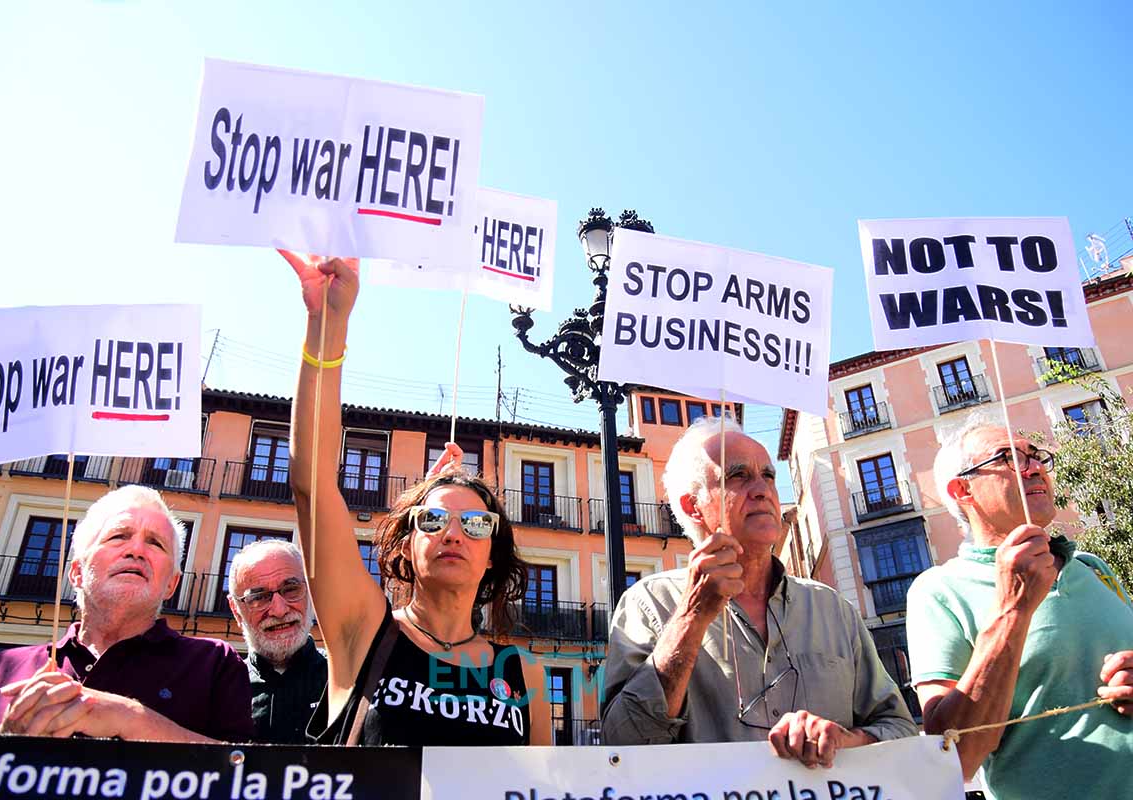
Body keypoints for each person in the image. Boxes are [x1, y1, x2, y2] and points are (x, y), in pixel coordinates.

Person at [279, 250, 550, 746]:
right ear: (405, 544)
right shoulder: (364, 630)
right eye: (432, 520)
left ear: (492, 556)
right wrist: (327, 324)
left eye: (475, 525)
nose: (453, 532)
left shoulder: (524, 675)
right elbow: (311, 487)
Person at [603, 416, 915, 764]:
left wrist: (845, 739)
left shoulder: (831, 607)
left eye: (768, 475)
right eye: (738, 475)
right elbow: (623, 744)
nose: (762, 489)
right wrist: (692, 617)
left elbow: (901, 729)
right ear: (693, 506)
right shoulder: (649, 604)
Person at [907, 415, 1133, 798]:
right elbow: (954, 756)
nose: (1034, 468)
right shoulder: (938, 591)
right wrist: (1013, 609)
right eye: (1009, 458)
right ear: (963, 489)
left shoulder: (1095, 568)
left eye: (1036, 456)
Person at [0, 485, 252, 741]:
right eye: (119, 536)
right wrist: (8, 748)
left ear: (171, 584)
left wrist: (133, 719)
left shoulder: (215, 664)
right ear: (76, 572)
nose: (137, 550)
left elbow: (246, 776)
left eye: (155, 543)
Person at [227, 538, 326, 744]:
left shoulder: (350, 683)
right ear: (236, 610)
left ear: (311, 592)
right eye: (258, 597)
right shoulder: (221, 689)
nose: (279, 610)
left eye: (290, 589)